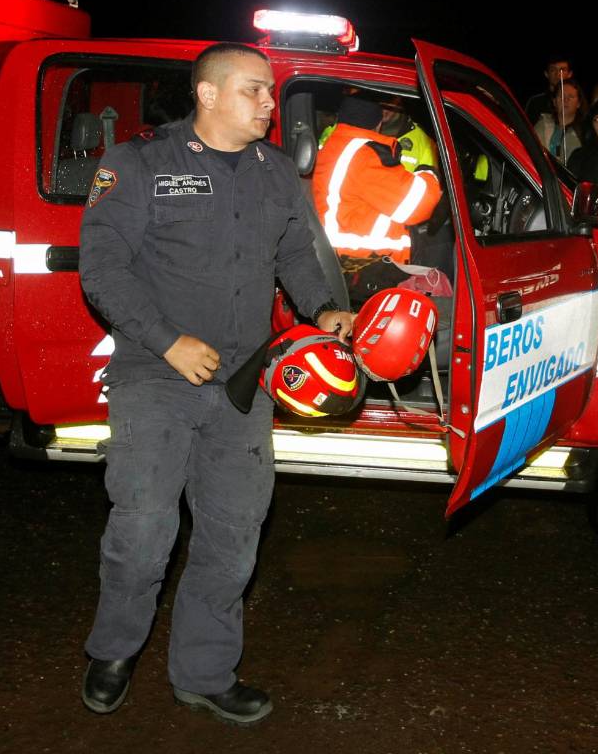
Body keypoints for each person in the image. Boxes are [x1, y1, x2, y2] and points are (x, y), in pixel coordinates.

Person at [77, 42, 354, 724]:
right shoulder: (139, 164)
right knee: (143, 530)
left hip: (243, 381)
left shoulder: (276, 173)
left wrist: (322, 309)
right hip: (155, 374)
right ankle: (114, 651)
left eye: (270, 91)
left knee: (233, 536)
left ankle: (204, 671)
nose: (271, 103)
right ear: (208, 94)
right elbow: (103, 269)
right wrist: (167, 341)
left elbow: (295, 252)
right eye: (256, 90)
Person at [312, 94, 442, 264]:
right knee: (444, 245)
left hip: (339, 257)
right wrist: (428, 171)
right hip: (364, 263)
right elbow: (418, 205)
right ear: (378, 123)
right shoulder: (364, 154)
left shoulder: (333, 144)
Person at [533, 79, 584, 164]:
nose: (566, 100)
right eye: (561, 96)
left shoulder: (584, 132)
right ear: (554, 102)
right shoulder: (542, 125)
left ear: (578, 103)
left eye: (571, 96)